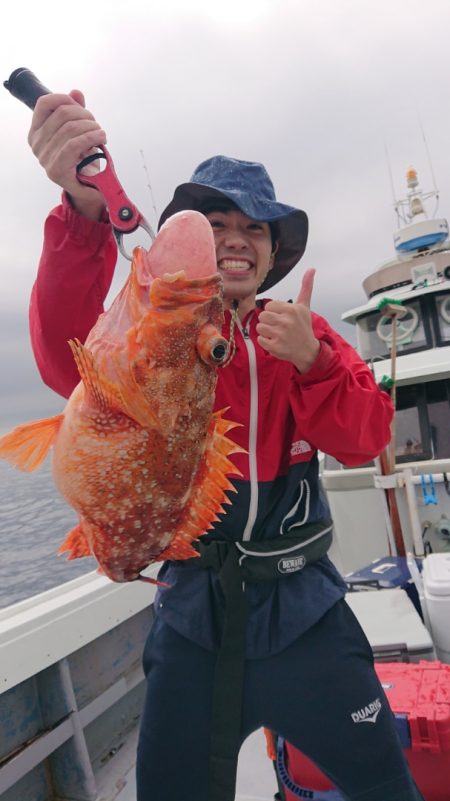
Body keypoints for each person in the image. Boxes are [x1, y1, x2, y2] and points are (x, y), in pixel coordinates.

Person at [27, 91, 425, 801]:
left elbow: (365, 438)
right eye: (217, 223)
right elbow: (67, 362)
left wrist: (314, 361)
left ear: (273, 253)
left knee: (387, 786)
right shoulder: (152, 329)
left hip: (306, 608)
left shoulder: (306, 334)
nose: (235, 236)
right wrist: (82, 214)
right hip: (191, 614)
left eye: (254, 227)